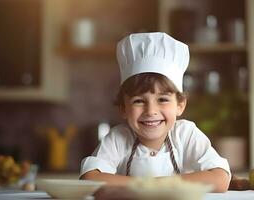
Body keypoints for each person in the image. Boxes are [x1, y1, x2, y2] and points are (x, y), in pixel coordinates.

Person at [80, 32, 231, 192]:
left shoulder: (185, 134)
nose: (151, 111)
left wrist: (152, 186)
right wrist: (152, 186)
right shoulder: (119, 138)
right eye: (138, 101)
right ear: (123, 108)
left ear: (180, 105)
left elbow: (220, 179)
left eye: (163, 99)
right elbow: (90, 179)